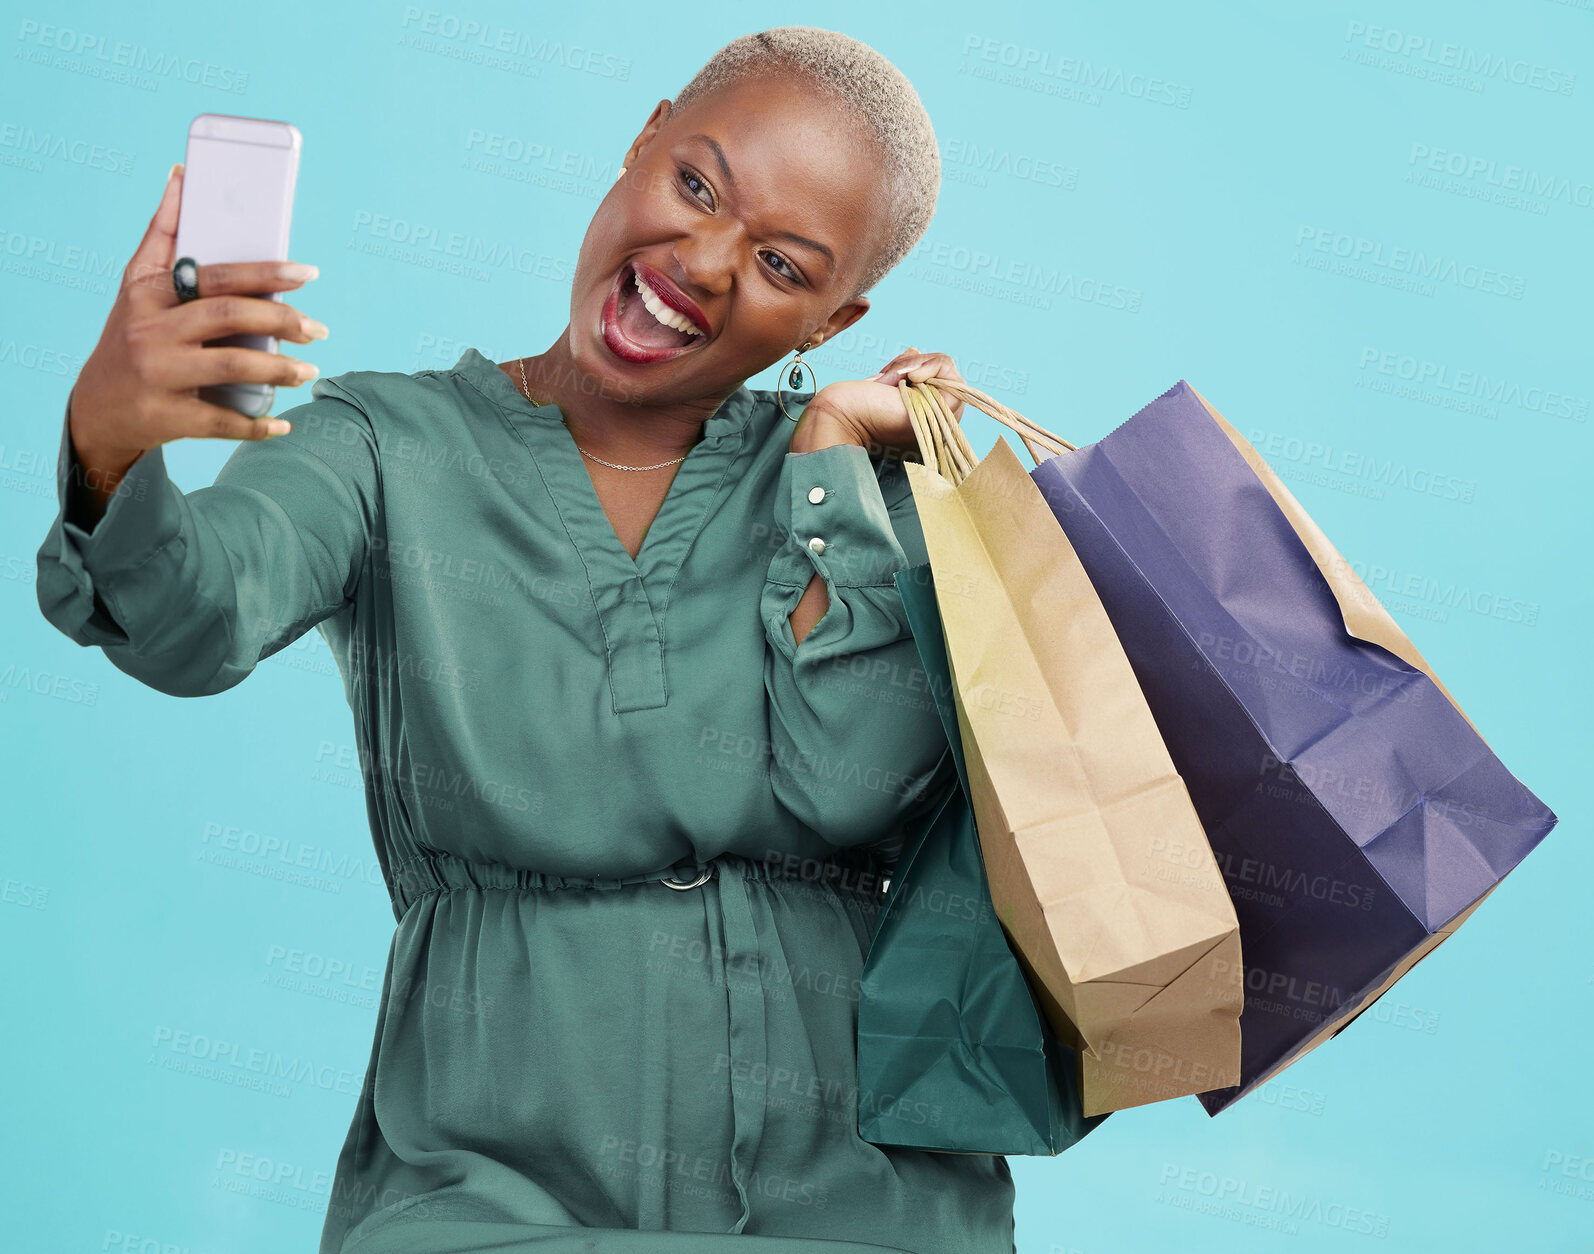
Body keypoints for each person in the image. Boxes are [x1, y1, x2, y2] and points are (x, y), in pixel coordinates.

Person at [37, 25, 1017, 1254]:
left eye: (779, 260)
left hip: (860, 1207)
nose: (703, 262)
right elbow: (189, 619)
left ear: (839, 314)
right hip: (488, 1200)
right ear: (641, 137)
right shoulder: (384, 446)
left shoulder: (870, 491)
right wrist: (113, 447)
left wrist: (827, 462)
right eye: (695, 185)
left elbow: (839, 784)